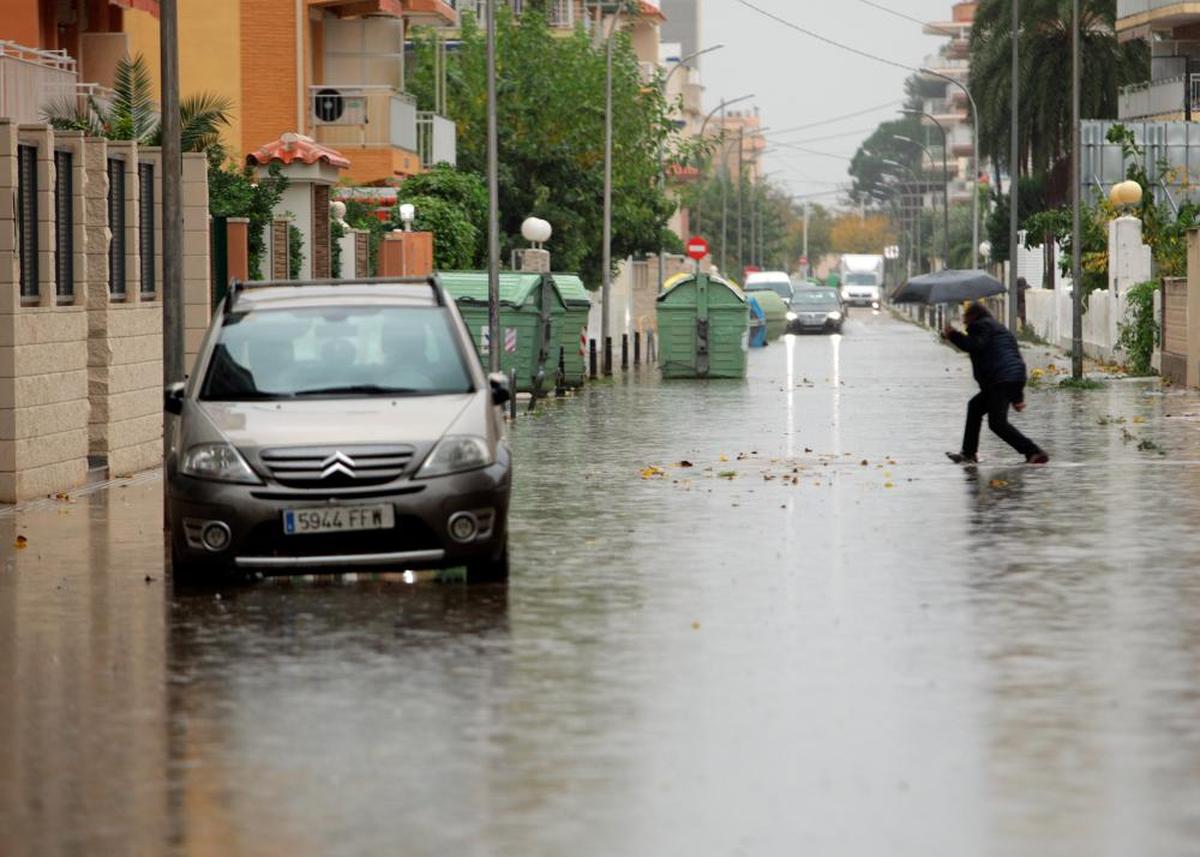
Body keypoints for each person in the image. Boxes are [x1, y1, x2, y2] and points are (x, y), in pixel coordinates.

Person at [942, 302, 1049, 465]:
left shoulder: (980, 327)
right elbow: (1013, 359)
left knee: (997, 424)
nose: (964, 322)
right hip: (1011, 377)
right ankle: (969, 453)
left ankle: (1034, 451)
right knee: (975, 407)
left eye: (966, 317)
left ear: (974, 316)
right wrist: (1017, 397)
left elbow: (974, 345)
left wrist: (953, 335)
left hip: (1000, 380)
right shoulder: (997, 328)